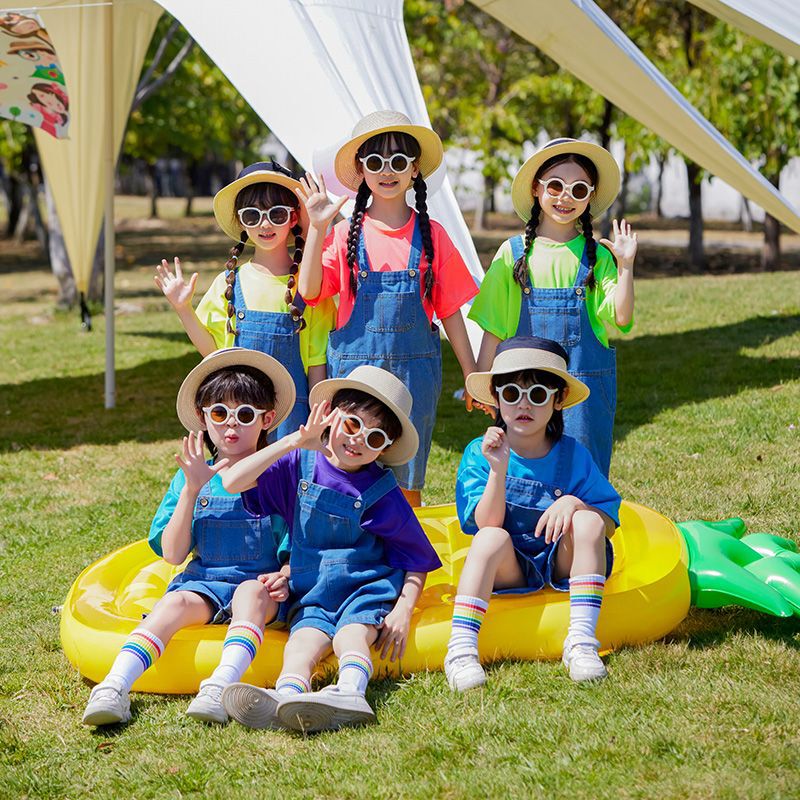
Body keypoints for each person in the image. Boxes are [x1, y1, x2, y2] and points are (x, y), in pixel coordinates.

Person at [219, 365, 441, 732]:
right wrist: (294, 441)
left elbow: (416, 556)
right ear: (330, 415)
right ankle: (287, 698)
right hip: (312, 595)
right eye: (352, 424)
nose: (357, 441)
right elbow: (232, 482)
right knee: (301, 645)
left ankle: (351, 692)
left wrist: (403, 609)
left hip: (364, 591)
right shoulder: (300, 463)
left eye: (374, 437)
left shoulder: (381, 491)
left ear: (385, 448)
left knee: (351, 636)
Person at [81, 348, 296, 726]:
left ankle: (219, 686)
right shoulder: (189, 477)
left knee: (250, 593)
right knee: (174, 603)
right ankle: (114, 686)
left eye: (246, 414)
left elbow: (300, 544)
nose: (232, 425)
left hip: (258, 587)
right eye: (220, 413)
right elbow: (172, 553)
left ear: (267, 419)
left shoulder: (280, 477)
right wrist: (192, 489)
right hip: (204, 585)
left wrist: (286, 573)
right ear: (202, 417)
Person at [295, 110, 481, 506]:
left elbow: (450, 310)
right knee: (349, 470)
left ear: (414, 170)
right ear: (361, 170)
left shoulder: (432, 236)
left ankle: (403, 541)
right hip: (354, 374)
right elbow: (309, 291)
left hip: (415, 377)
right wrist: (317, 228)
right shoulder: (344, 234)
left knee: (406, 479)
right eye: (375, 161)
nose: (387, 170)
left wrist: (470, 372)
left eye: (398, 161)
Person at [444, 336, 622, 692]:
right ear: (496, 398)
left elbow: (608, 522)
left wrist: (574, 503)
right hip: (510, 566)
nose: (523, 404)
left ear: (558, 400)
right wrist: (498, 469)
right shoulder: (481, 453)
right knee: (490, 538)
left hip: (561, 560)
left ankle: (581, 641)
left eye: (538, 394)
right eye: (512, 393)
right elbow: (485, 524)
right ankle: (460, 650)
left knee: (587, 519)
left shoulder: (573, 454)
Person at [469, 138, 638, 475]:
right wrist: (484, 385)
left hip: (583, 394)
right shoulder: (512, 254)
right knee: (524, 473)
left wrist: (626, 267)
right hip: (524, 394)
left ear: (589, 197)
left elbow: (622, 317)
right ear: (536, 188)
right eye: (556, 185)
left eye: (579, 189)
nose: (566, 197)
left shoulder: (598, 257)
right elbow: (494, 328)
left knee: (582, 474)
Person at [154, 161, 336, 440]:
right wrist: (183, 308)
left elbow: (316, 362)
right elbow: (214, 354)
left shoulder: (309, 287)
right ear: (241, 222)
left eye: (276, 214)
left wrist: (317, 426)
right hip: (239, 419)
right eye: (252, 215)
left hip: (294, 422)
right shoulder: (229, 283)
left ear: (293, 218)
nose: (265, 224)